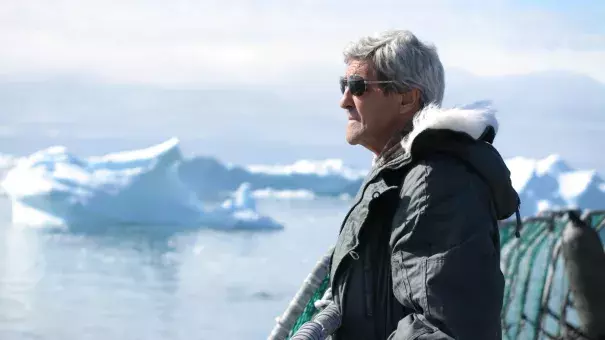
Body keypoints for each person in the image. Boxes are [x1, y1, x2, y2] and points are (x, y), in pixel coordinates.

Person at [322, 30, 521, 339]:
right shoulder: (409, 173)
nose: (344, 101)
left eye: (358, 87)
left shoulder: (435, 182)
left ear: (406, 98)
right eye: (343, 85)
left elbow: (444, 325)